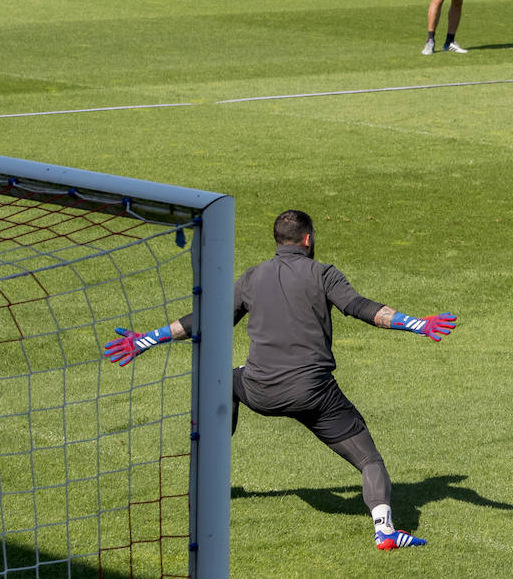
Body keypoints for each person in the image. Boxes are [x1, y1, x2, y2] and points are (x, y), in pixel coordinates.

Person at [104, 209, 458, 551]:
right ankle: (385, 530)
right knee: (369, 460)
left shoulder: (252, 277)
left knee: (224, 380)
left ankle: (210, 472)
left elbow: (205, 319)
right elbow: (362, 308)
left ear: (278, 242)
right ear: (308, 239)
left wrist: (145, 340)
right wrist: (419, 325)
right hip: (314, 395)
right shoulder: (323, 273)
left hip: (259, 390)